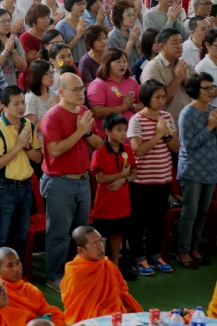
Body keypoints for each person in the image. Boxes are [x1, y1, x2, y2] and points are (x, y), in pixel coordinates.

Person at [39, 73, 103, 292]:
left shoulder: (84, 112)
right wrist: (80, 131)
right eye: (75, 89)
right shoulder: (52, 116)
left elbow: (98, 143)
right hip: (59, 182)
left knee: (79, 232)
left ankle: (77, 271)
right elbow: (55, 150)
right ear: (61, 92)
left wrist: (86, 133)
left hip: (82, 180)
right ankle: (55, 275)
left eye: (81, 89)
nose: (80, 93)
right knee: (59, 233)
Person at [0, 87, 42, 269]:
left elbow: (38, 158)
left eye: (23, 103)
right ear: (4, 107)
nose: (21, 107)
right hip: (3, 188)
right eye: (16, 104)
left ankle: (16, 273)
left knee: (20, 234)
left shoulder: (29, 126)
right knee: (0, 236)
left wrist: (27, 147)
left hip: (25, 186)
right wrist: (18, 145)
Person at [128, 78, 179, 276]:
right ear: (147, 97)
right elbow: (138, 151)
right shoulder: (136, 120)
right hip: (141, 181)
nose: (162, 101)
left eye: (164, 97)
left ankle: (155, 255)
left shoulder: (166, 117)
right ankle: (138, 258)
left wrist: (165, 135)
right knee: (138, 221)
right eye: (157, 97)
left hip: (162, 179)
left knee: (157, 221)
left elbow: (176, 147)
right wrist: (158, 135)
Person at [60, 226, 142, 325]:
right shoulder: (75, 274)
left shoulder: (108, 265)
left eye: (101, 241)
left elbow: (122, 289)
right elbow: (78, 308)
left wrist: (120, 308)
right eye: (95, 244)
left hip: (115, 312)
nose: (101, 247)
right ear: (81, 250)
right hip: (91, 319)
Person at [175, 73, 217, 269]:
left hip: (211, 169)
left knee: (203, 212)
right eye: (206, 88)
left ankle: (194, 248)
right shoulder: (187, 114)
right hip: (192, 170)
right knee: (190, 212)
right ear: (194, 90)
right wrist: (209, 127)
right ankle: (183, 252)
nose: (211, 91)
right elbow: (188, 144)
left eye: (212, 87)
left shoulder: (214, 110)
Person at [90, 112, 137, 275]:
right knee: (101, 237)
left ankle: (115, 267)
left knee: (117, 235)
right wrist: (121, 175)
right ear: (107, 131)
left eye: (125, 130)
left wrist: (124, 180)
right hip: (105, 203)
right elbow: (100, 178)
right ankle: (100, 268)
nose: (123, 134)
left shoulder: (128, 150)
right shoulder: (100, 151)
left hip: (122, 202)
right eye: (119, 130)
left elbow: (134, 173)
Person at [0, 248, 65, 326]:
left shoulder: (30, 289)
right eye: (10, 266)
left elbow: (49, 311)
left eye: (18, 263)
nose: (17, 269)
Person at [141, 27, 192, 122]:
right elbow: (155, 101)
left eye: (181, 42)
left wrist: (187, 80)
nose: (180, 46)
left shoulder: (185, 64)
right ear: (162, 46)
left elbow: (197, 93)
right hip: (165, 124)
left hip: (190, 120)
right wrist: (177, 79)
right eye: (175, 43)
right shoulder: (152, 68)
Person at [87, 48, 142, 137]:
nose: (122, 64)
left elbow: (144, 104)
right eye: (118, 62)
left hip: (133, 132)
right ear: (108, 64)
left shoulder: (131, 81)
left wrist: (133, 106)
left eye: (124, 61)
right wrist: (122, 107)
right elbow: (96, 112)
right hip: (109, 135)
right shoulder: (98, 84)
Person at [24, 60, 59, 146]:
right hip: (41, 145)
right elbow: (32, 130)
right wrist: (50, 111)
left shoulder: (54, 95)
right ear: (38, 75)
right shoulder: (30, 98)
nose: (51, 76)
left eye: (52, 72)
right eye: (47, 73)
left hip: (55, 141)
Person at [0, 8, 27, 86]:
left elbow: (23, 68)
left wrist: (13, 51)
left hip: (11, 86)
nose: (7, 24)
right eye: (3, 21)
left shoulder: (15, 41)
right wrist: (6, 51)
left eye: (9, 21)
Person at [108, 0, 142, 68]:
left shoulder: (132, 32)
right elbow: (119, 60)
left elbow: (141, 56)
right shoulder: (112, 37)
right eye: (128, 15)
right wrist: (131, 41)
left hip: (137, 70)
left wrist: (137, 44)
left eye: (133, 15)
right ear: (119, 17)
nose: (132, 17)